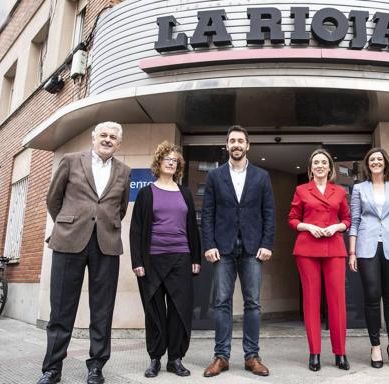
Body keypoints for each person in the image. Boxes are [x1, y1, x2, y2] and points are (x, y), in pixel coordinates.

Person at [37, 122, 131, 384]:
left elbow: (120, 209)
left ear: (119, 143)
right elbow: (52, 199)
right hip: (69, 241)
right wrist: (68, 222)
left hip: (106, 244)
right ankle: (52, 369)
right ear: (93, 138)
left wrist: (101, 224)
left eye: (113, 137)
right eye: (103, 135)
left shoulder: (125, 171)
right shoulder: (70, 161)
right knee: (61, 309)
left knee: (102, 309)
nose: (108, 140)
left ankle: (96, 367)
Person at [201, 125, 275, 377]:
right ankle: (221, 356)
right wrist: (209, 244)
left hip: (253, 249)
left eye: (240, 141)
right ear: (227, 145)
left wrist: (267, 243)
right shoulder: (214, 176)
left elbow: (269, 213)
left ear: (248, 145)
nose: (236, 145)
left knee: (253, 303)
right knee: (222, 302)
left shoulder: (261, 176)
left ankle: (252, 356)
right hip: (222, 249)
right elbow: (207, 214)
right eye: (232, 141)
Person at [129, 141, 201, 378]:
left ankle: (175, 359)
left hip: (181, 257)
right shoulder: (145, 193)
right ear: (158, 163)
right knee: (155, 311)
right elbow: (136, 229)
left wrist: (196, 257)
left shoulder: (186, 193)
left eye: (175, 160)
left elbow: (192, 227)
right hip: (152, 260)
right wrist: (137, 261)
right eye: (167, 159)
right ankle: (155, 358)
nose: (171, 162)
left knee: (180, 311)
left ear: (178, 166)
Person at [348, 148, 389, 369]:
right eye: (372, 159)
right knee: (372, 295)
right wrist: (352, 252)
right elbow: (354, 221)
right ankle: (375, 345)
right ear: (368, 164)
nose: (376, 162)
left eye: (380, 159)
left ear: (385, 163)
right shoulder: (358, 189)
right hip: (367, 247)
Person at [288, 148, 351, 372]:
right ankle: (314, 352)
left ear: (330, 167)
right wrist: (308, 226)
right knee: (311, 302)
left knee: (337, 303)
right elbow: (293, 219)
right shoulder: (301, 190)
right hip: (307, 249)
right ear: (311, 168)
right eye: (316, 162)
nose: (320, 165)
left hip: (334, 248)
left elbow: (347, 219)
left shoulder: (340, 191)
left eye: (324, 162)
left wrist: (336, 226)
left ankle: (340, 352)